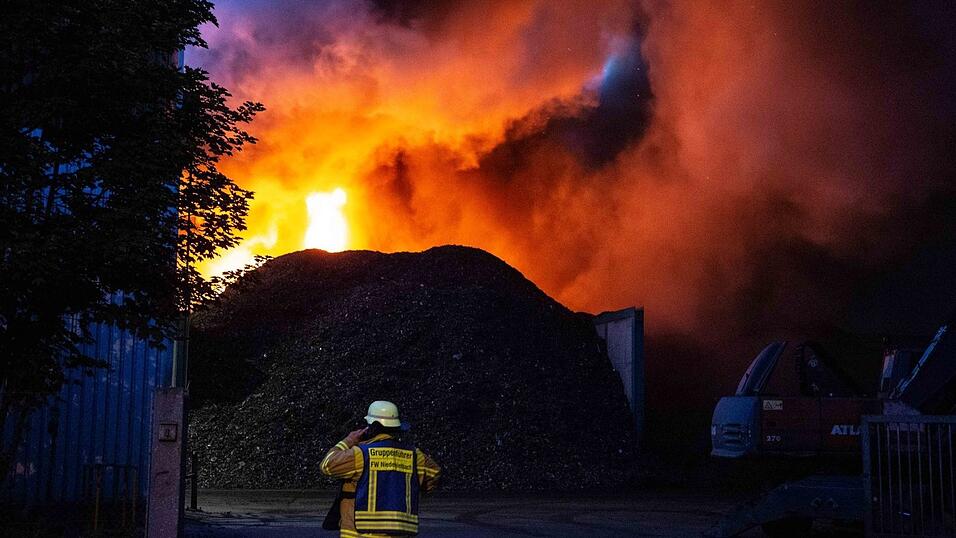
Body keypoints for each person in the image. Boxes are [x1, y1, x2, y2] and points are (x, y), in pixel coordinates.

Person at [320, 400, 441, 537]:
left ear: (369, 427)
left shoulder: (362, 454)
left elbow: (327, 465)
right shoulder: (415, 455)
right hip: (399, 531)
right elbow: (434, 473)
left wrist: (347, 441)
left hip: (360, 533)